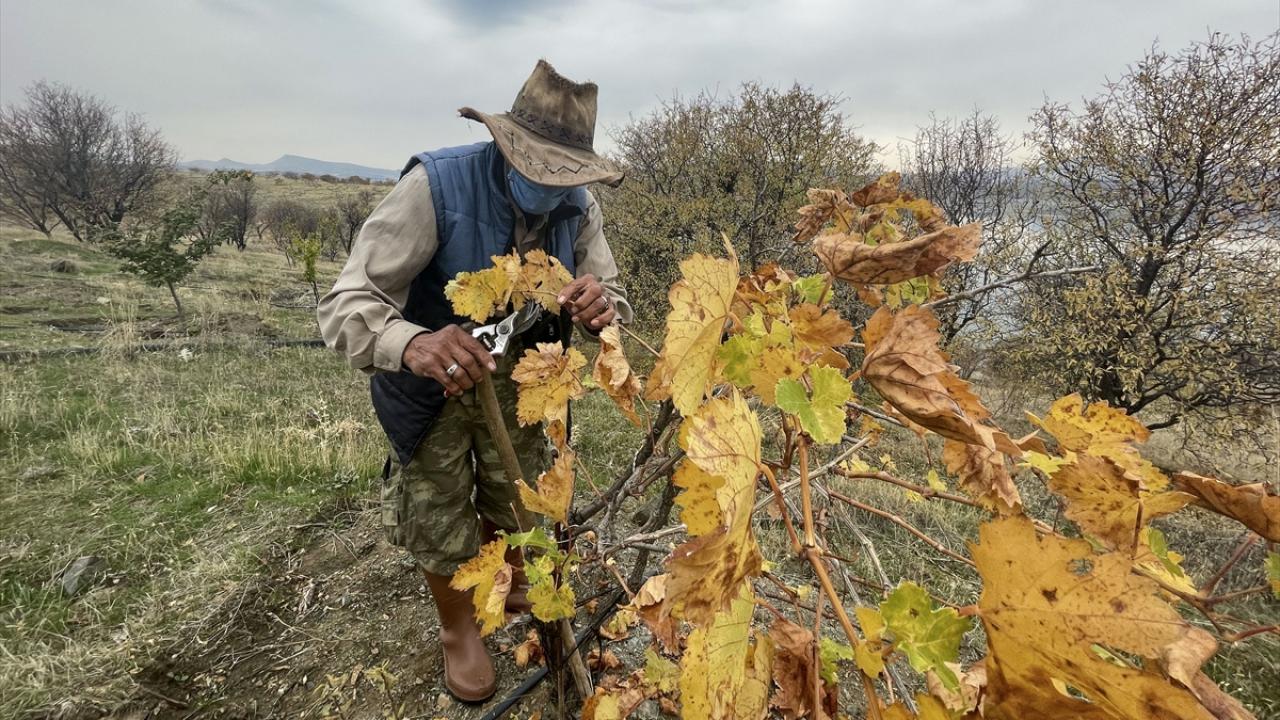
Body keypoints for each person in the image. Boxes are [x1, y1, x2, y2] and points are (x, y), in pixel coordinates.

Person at [317, 60, 632, 702]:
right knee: (437, 511)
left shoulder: (579, 207)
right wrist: (413, 343)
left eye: (562, 176)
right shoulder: (435, 187)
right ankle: (458, 628)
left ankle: (505, 580)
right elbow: (347, 302)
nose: (548, 187)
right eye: (535, 169)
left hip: (524, 379)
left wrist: (603, 306)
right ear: (503, 145)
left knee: (518, 493)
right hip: (430, 379)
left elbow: (611, 290)